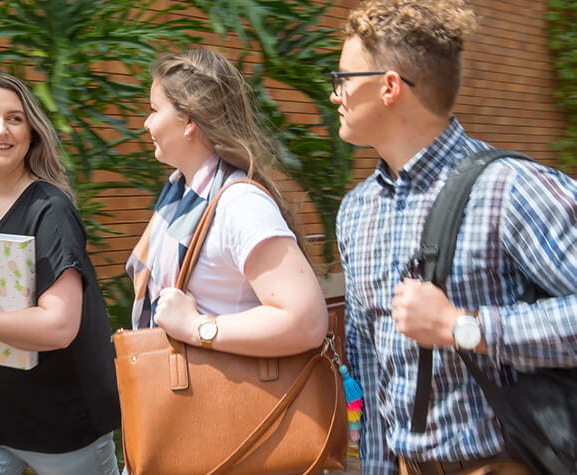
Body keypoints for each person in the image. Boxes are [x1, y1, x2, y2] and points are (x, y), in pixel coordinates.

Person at [333, 1, 577, 474]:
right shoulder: (355, 211)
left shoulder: (511, 189)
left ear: (389, 87)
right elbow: (371, 370)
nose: (334, 94)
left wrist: (462, 328)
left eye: (342, 77)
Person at [0, 72, 120, 475]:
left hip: (60, 424)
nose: (1, 129)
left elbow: (58, 327)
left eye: (15, 118)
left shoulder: (50, 211)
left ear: (31, 131)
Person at [127, 47, 328, 361]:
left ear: (188, 120)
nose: (146, 123)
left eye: (154, 109)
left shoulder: (240, 205)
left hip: (242, 402)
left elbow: (307, 322)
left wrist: (196, 327)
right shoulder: (184, 197)